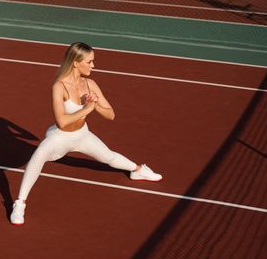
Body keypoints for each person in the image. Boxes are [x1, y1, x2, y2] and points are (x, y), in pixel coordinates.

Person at [10, 42, 162, 225]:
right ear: (76, 63)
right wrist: (87, 108)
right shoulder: (59, 87)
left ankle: (137, 171)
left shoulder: (91, 84)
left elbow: (111, 115)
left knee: (108, 157)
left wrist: (95, 103)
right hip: (60, 138)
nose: (93, 66)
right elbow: (62, 121)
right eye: (89, 62)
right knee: (38, 156)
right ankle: (19, 204)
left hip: (82, 135)